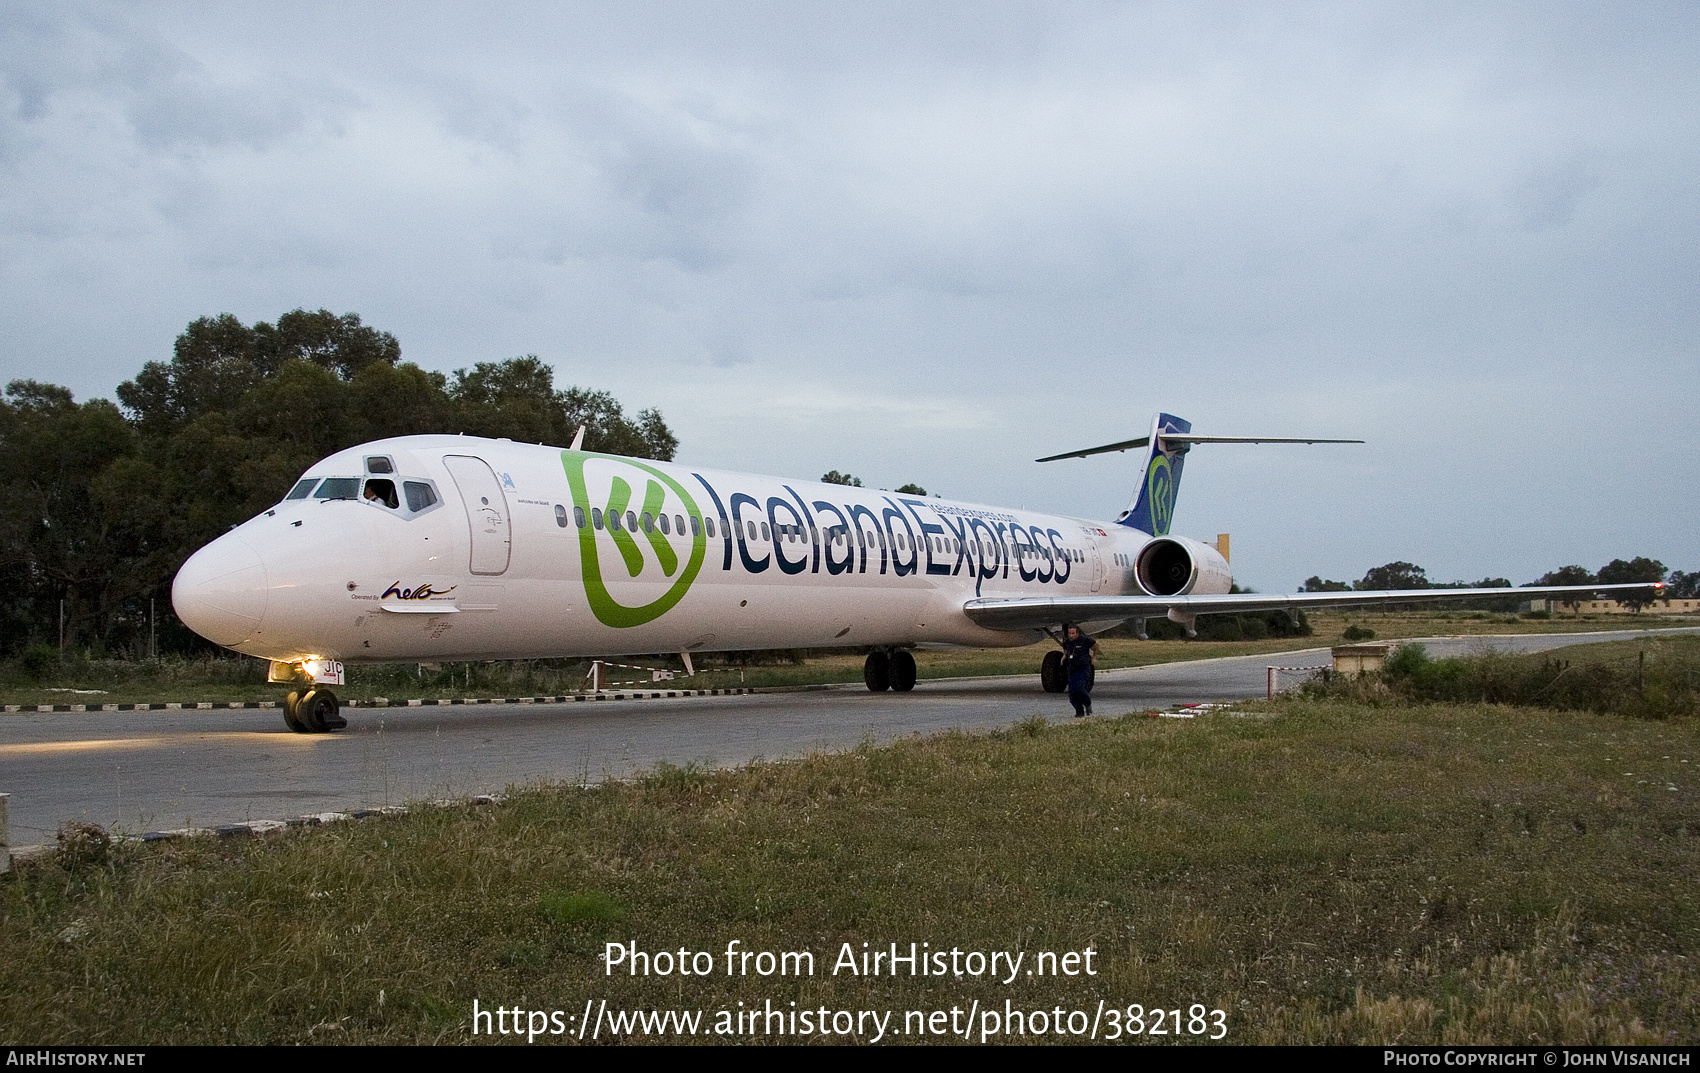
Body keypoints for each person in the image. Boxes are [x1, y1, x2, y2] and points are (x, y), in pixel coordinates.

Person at [1061, 624, 1098, 717]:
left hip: (1083, 668)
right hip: (1072, 669)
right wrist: (1064, 656)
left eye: (1073, 633)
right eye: (1070, 633)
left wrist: (1094, 657)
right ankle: (1079, 712)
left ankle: (1088, 704)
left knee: (1080, 689)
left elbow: (1096, 645)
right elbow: (1066, 649)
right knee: (1072, 693)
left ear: (1077, 633)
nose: (1071, 635)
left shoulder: (1084, 640)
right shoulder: (1068, 642)